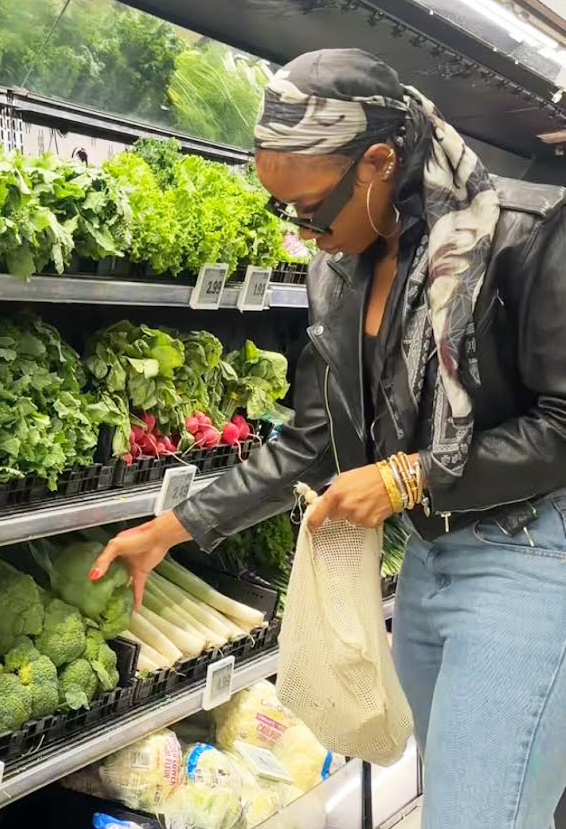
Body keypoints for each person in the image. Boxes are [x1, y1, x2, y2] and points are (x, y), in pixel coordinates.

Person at [90, 49, 566, 828]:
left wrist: (407, 477)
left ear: (378, 162)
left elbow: (563, 423)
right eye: (286, 213)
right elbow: (313, 438)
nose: (303, 233)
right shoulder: (340, 269)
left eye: (311, 209)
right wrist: (172, 529)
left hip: (531, 556)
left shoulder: (522, 235)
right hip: (428, 562)